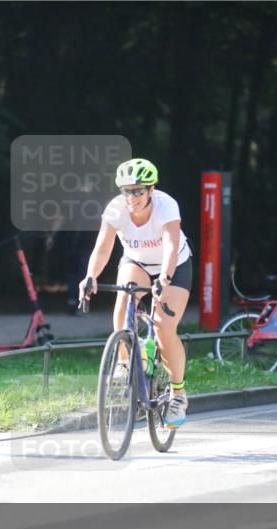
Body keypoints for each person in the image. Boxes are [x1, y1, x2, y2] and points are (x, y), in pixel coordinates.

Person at [78, 158, 192, 428]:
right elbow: (103, 248)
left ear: (151, 190)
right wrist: (90, 276)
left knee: (164, 327)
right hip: (137, 262)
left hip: (173, 264)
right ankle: (124, 362)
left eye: (139, 190)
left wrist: (164, 279)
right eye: (127, 190)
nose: (133, 197)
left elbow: (170, 246)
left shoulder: (166, 206)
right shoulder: (116, 209)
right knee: (123, 301)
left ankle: (178, 393)